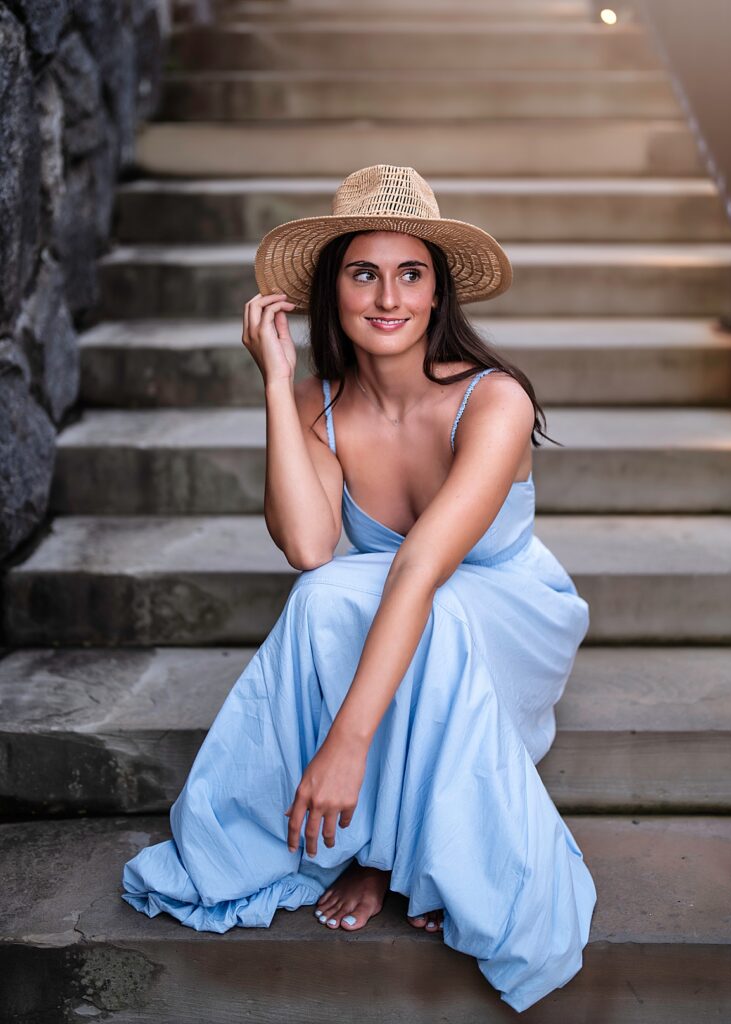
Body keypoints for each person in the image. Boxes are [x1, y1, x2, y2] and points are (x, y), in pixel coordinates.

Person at [121, 164, 596, 1013]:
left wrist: (345, 744)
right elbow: (308, 548)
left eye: (411, 273)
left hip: (505, 609)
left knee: (428, 604)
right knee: (325, 595)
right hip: (410, 603)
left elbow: (422, 567)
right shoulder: (319, 401)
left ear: (439, 292)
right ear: (330, 290)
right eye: (363, 272)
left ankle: (384, 848)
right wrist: (275, 384)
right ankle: (361, 834)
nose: (388, 296)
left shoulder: (495, 401)